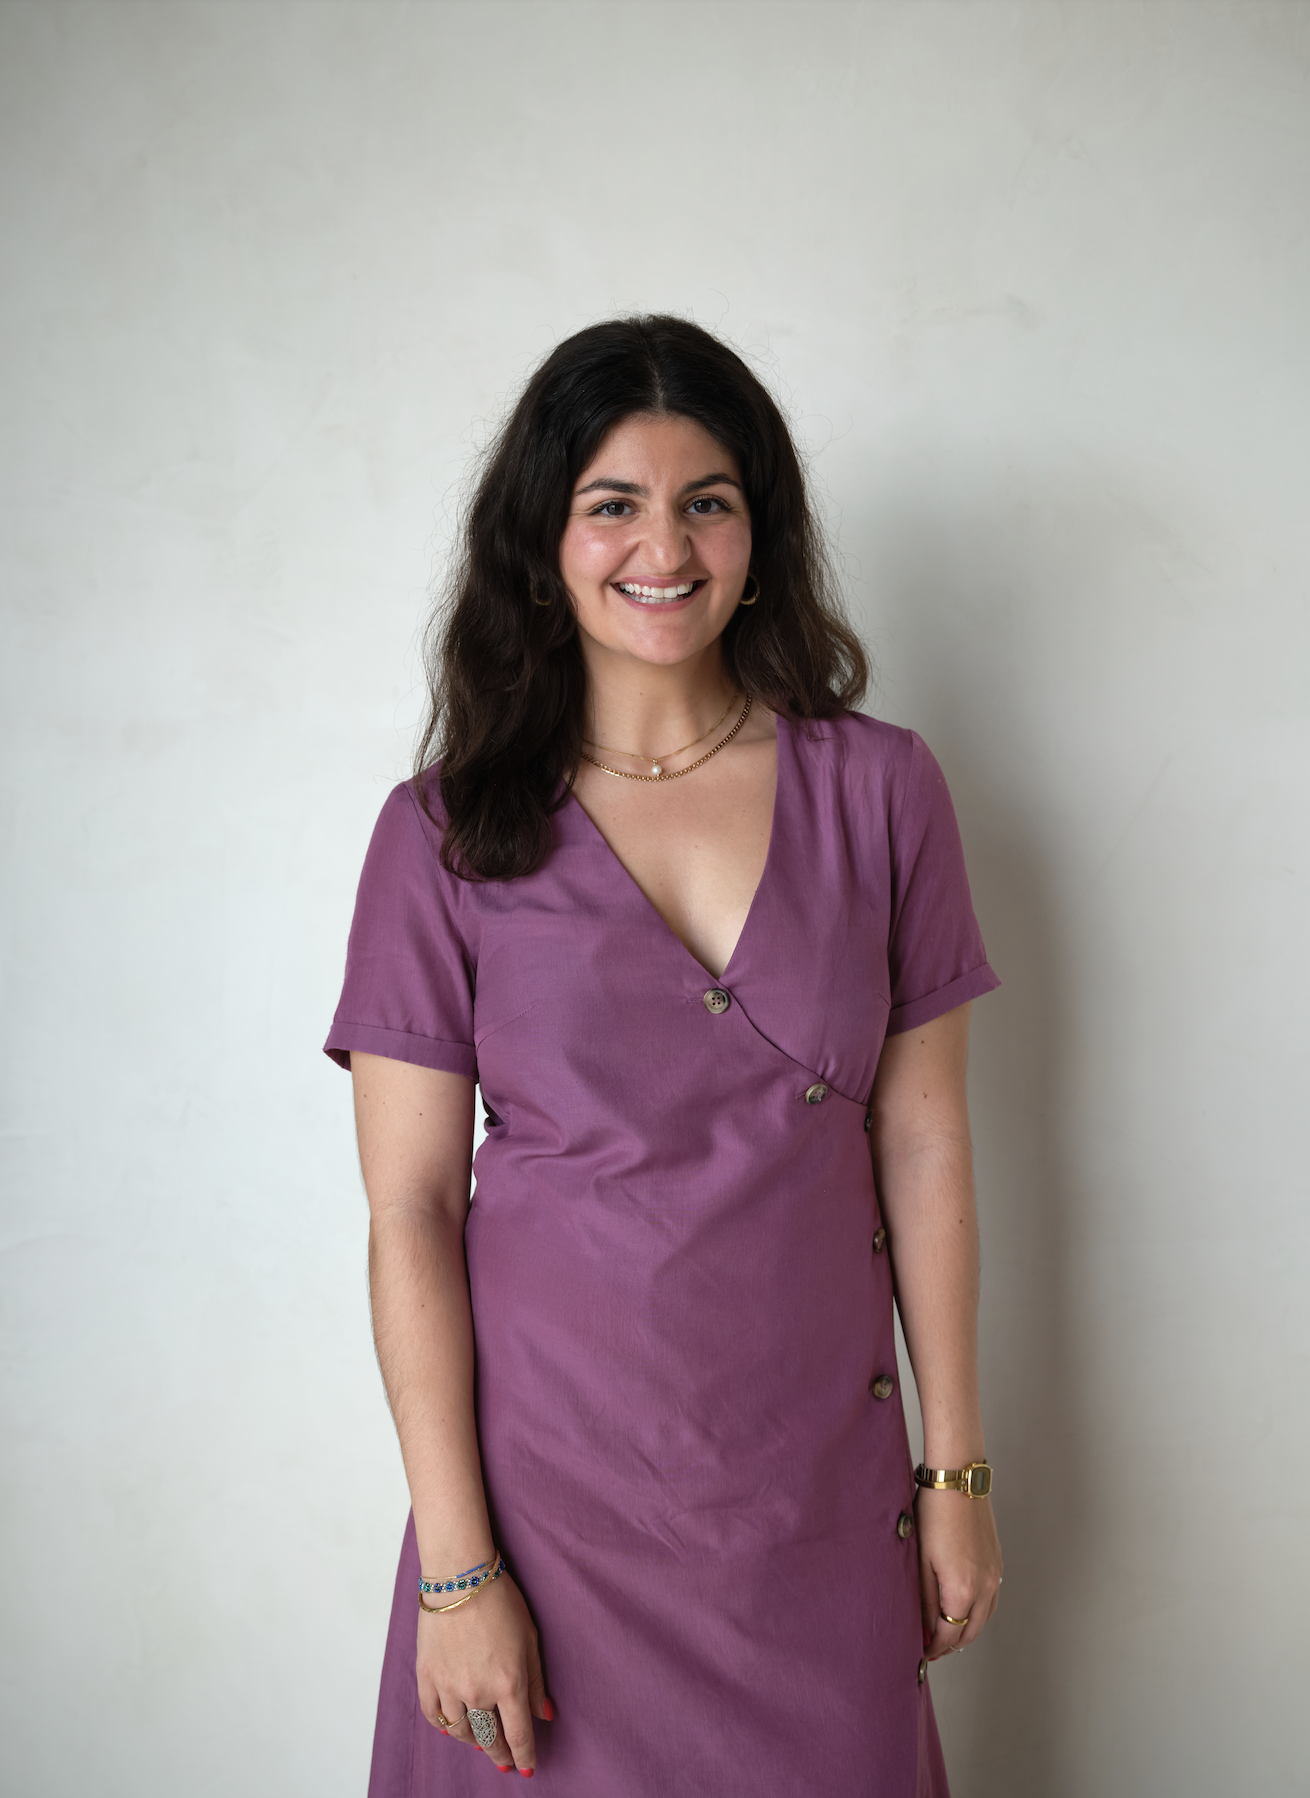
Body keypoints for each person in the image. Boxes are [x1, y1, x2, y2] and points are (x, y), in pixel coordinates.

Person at [325, 315, 1003, 1796]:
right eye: (613, 503)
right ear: (543, 540)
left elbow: (926, 1143)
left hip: (818, 1499)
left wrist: (955, 1470)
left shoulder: (882, 791)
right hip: (547, 1520)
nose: (666, 546)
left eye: (708, 500)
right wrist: (458, 1570)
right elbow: (409, 1213)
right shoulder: (443, 834)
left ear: (761, 532)